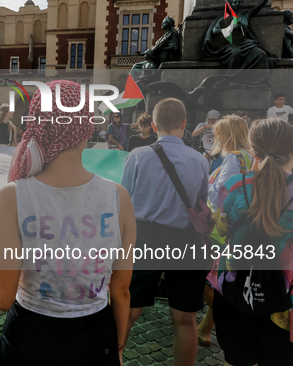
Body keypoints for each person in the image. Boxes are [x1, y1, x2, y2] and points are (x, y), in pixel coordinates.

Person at [0, 80, 135, 365]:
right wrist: (116, 346)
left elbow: (1, 296)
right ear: (86, 128)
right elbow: (121, 289)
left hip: (29, 337)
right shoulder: (119, 197)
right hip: (95, 334)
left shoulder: (13, 196)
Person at [121, 98, 209, 365]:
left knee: (129, 310)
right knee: (185, 319)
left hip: (145, 239)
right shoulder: (200, 161)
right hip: (186, 240)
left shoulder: (137, 156)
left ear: (154, 124)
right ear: (184, 124)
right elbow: (201, 202)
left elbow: (124, 200)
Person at [212, 118, 293, 365]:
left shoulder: (234, 186)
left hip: (233, 289)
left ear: (252, 149)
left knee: (237, 359)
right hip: (284, 299)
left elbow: (221, 228)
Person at [197, 115, 253, 347]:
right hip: (239, 225)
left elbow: (221, 194)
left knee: (206, 278)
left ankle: (230, 313)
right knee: (219, 277)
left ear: (226, 136)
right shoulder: (250, 157)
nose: (215, 138)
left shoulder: (232, 157)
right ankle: (204, 329)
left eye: (218, 134)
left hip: (218, 226)